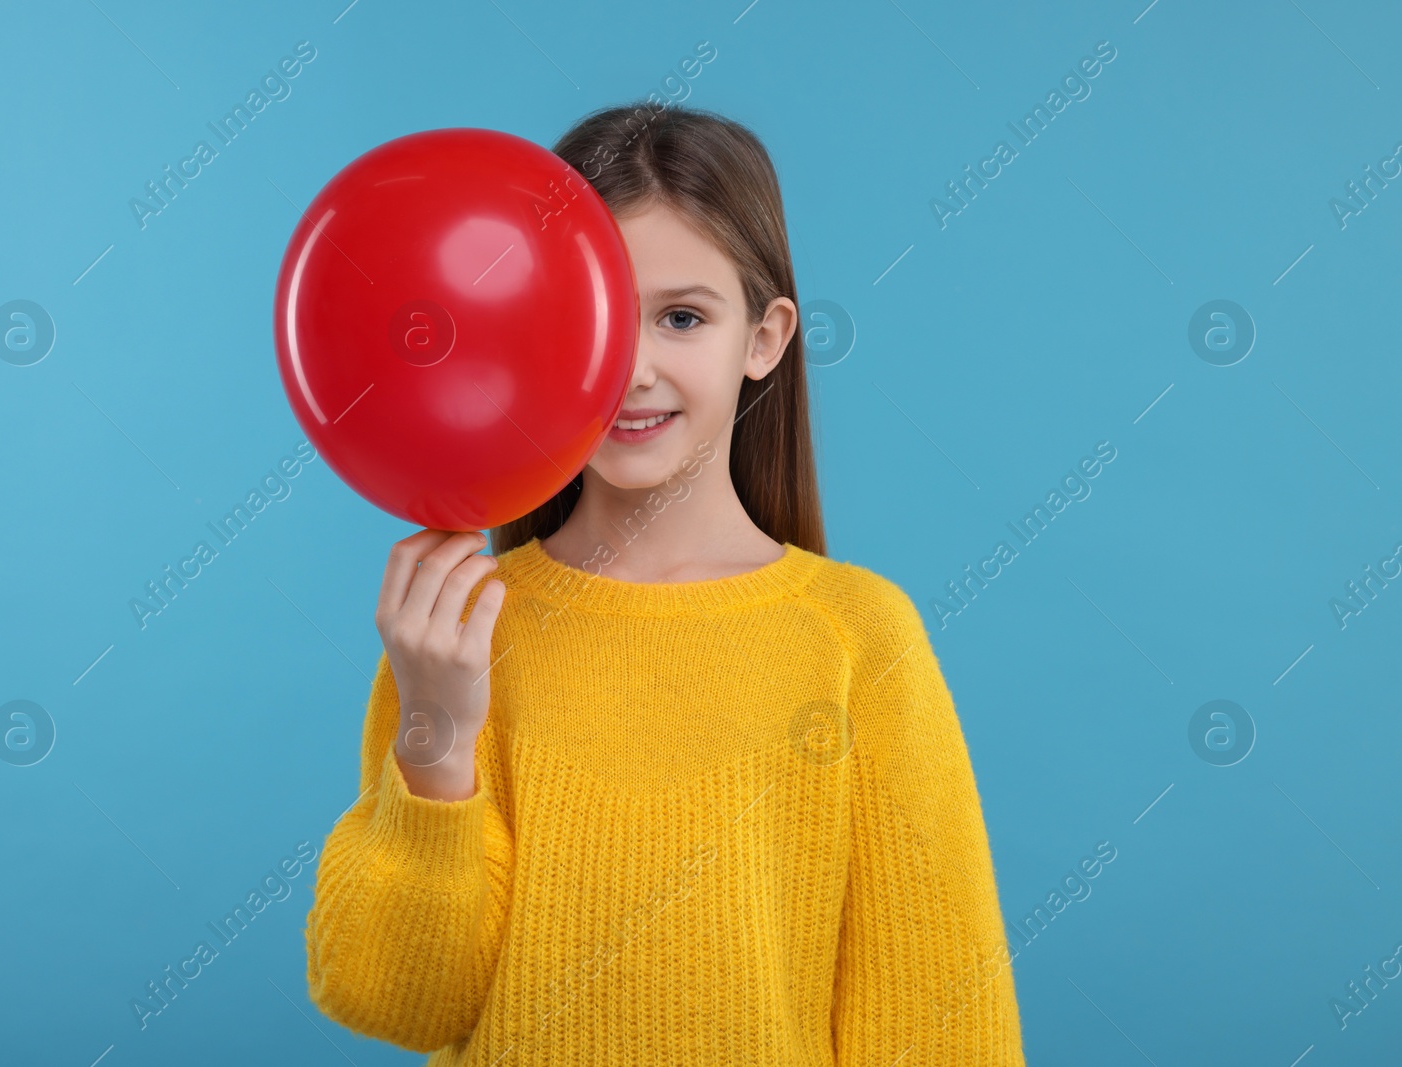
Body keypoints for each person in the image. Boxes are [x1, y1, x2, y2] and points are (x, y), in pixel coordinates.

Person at [303, 101, 1027, 1065]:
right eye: (582, 316)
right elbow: (392, 1000)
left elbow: (943, 1024)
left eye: (682, 316)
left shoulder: (858, 636)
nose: (631, 369)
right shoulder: (461, 630)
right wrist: (436, 738)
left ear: (763, 340)